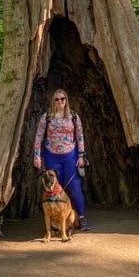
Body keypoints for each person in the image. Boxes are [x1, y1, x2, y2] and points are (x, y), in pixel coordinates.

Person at [34, 89, 90, 231]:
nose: (60, 102)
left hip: (70, 155)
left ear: (66, 100)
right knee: (53, 188)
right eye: (57, 99)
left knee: (74, 187)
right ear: (53, 101)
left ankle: (81, 218)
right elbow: (39, 136)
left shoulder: (73, 116)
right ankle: (55, 221)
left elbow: (80, 136)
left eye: (62, 99)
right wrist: (37, 155)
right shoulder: (46, 117)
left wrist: (81, 155)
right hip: (52, 156)